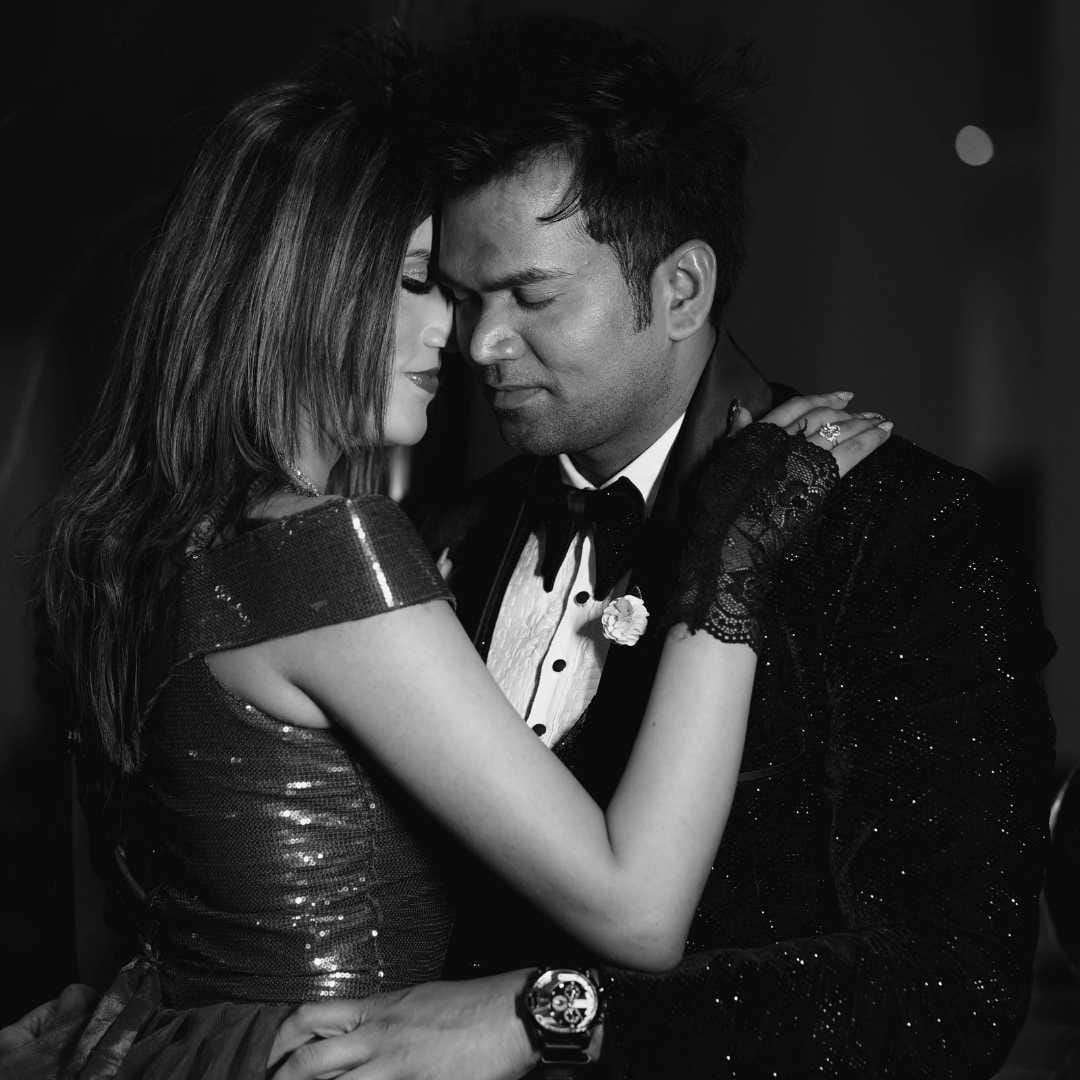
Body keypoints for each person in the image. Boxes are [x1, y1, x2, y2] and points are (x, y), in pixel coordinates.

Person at [1, 30, 889, 1080]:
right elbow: (638, 911)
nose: (462, 340)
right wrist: (732, 559)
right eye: (424, 282)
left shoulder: (138, 540)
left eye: (487, 296)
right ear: (312, 284)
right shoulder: (324, 549)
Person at [266, 16, 1057, 1080]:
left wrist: (542, 1017)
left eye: (530, 295)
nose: (481, 344)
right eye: (462, 297)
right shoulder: (437, 539)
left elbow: (947, 996)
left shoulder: (909, 533)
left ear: (680, 290)